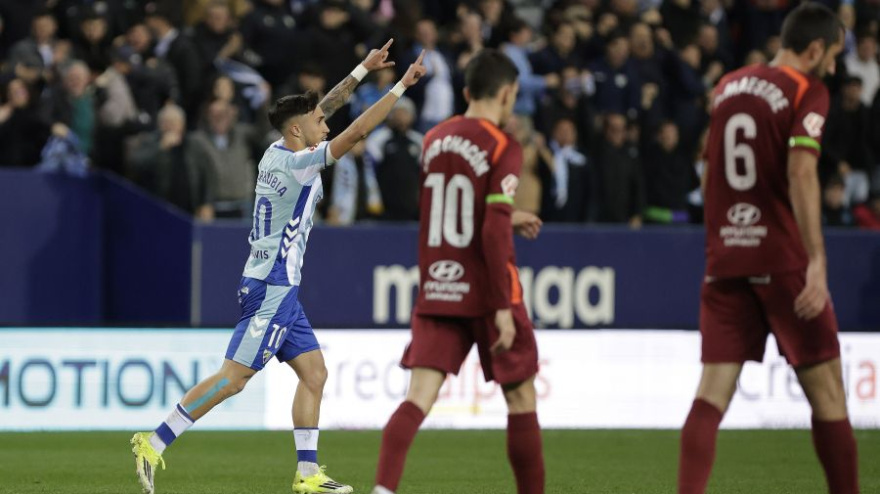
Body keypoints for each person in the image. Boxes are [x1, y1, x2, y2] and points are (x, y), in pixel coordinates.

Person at [130, 40, 427, 494]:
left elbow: (322, 107)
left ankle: (307, 475)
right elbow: (358, 132)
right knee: (234, 379)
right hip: (272, 286)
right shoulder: (300, 164)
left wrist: (363, 70)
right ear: (298, 131)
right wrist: (402, 86)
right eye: (319, 123)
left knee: (314, 374)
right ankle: (153, 441)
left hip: (278, 286)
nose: (326, 124)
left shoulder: (276, 150)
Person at [678, 4, 859, 494]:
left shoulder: (729, 86)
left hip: (727, 260)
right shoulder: (807, 90)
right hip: (782, 261)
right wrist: (817, 260)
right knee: (828, 398)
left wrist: (723, 238)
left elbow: (707, 164)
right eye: (835, 57)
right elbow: (802, 171)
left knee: (710, 397)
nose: (835, 69)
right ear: (815, 49)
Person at [371, 48, 545, 494]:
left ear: (467, 91)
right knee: (521, 400)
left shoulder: (434, 138)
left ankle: (382, 490)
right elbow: (490, 231)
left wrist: (509, 214)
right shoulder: (503, 144)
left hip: (438, 287)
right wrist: (504, 304)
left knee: (417, 401)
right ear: (508, 93)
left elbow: (447, 206)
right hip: (486, 292)